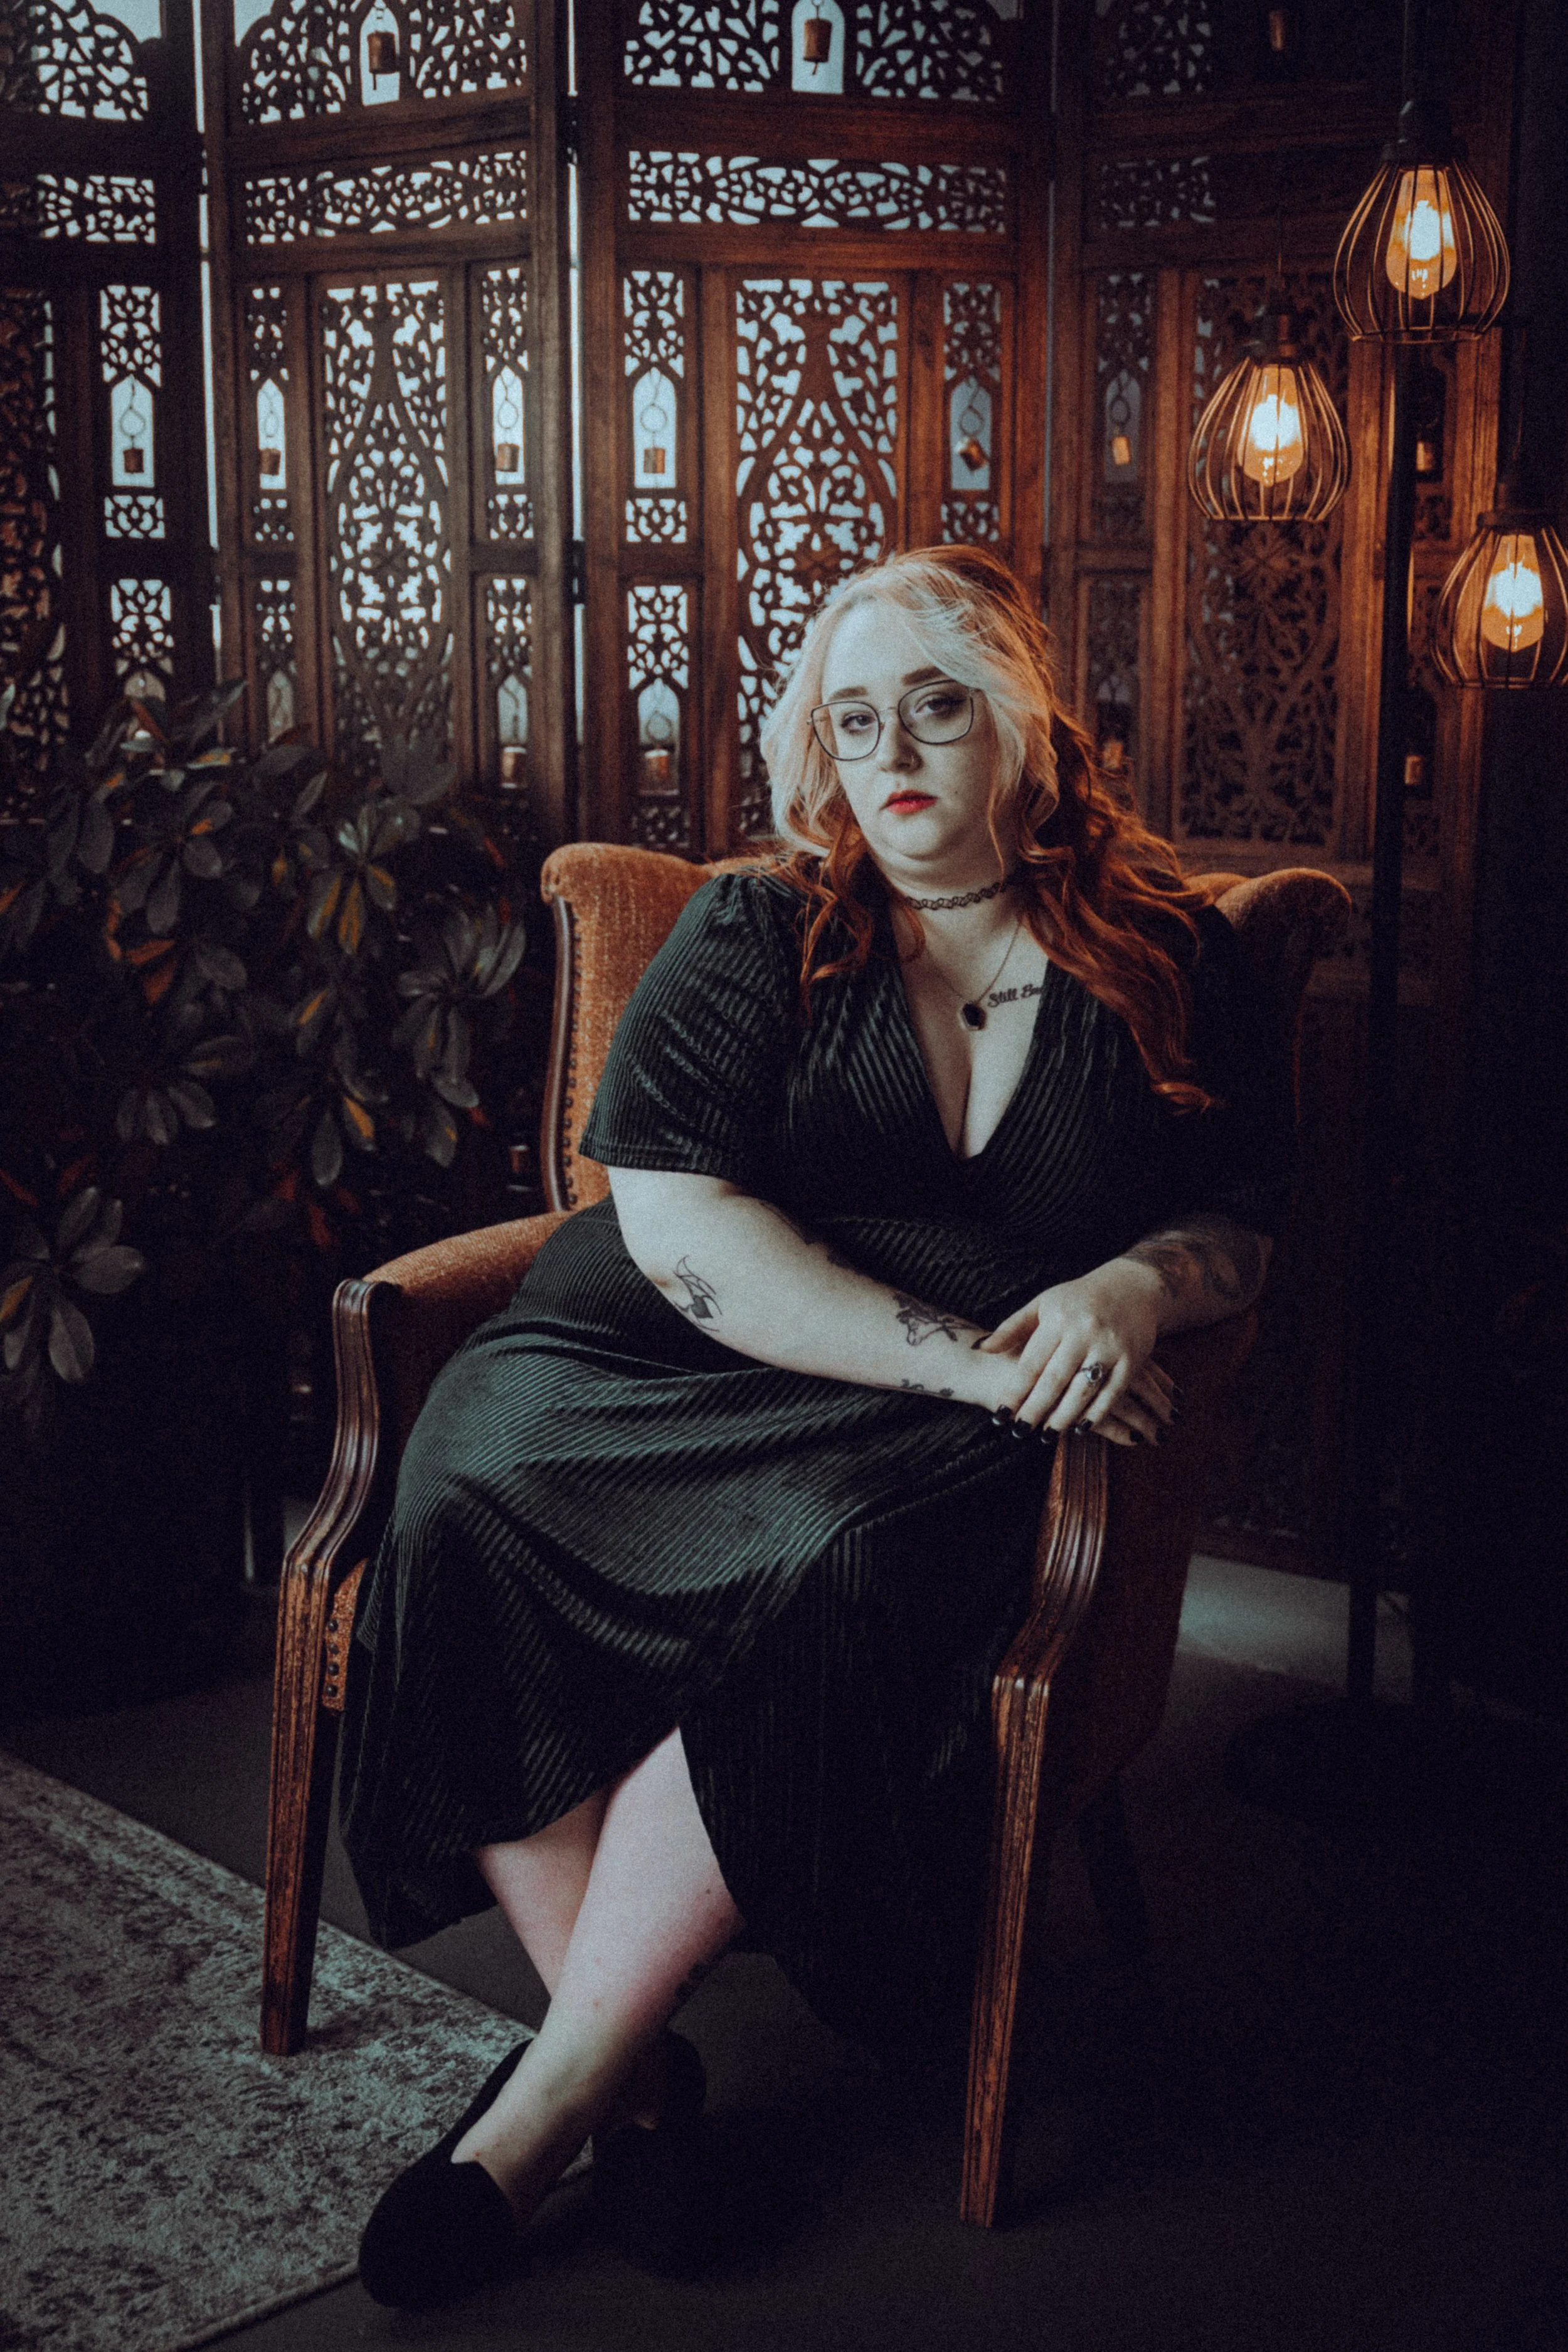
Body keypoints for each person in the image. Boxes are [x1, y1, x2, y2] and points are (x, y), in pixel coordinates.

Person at [341, 546, 1297, 2307]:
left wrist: (1136, 1287)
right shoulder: (758, 922)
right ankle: (623, 2093)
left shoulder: (1166, 951)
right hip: (669, 1356)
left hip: (936, 1430)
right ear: (818, 751)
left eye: (935, 702)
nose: (896, 748)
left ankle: (545, 2107)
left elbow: (1246, 1210)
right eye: (856, 718)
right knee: (467, 1472)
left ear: (1018, 718)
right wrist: (961, 1354)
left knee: (833, 1563)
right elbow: (682, 1232)